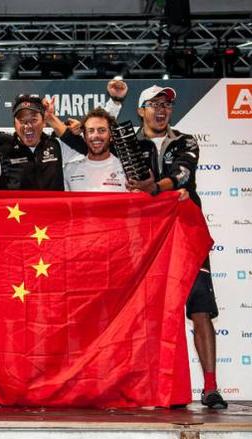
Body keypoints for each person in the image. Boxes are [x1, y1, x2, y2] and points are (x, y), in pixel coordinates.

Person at [127, 85, 227, 409]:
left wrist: (156, 188)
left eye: (166, 105)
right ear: (140, 110)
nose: (161, 110)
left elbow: (183, 175)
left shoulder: (186, 140)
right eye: (154, 104)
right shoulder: (128, 146)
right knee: (149, 314)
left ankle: (211, 388)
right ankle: (154, 386)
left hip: (186, 233)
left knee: (200, 309)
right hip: (147, 237)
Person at [0, 80, 127, 191]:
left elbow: (95, 134)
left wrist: (115, 102)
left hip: (55, 233)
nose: (28, 125)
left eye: (33, 119)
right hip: (18, 235)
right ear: (15, 124)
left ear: (43, 121)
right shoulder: (3, 153)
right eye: (22, 120)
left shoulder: (59, 145)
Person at [61, 108, 127, 192]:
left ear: (111, 136)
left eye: (102, 130)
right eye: (90, 131)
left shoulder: (126, 171)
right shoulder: (69, 170)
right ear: (84, 137)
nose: (96, 135)